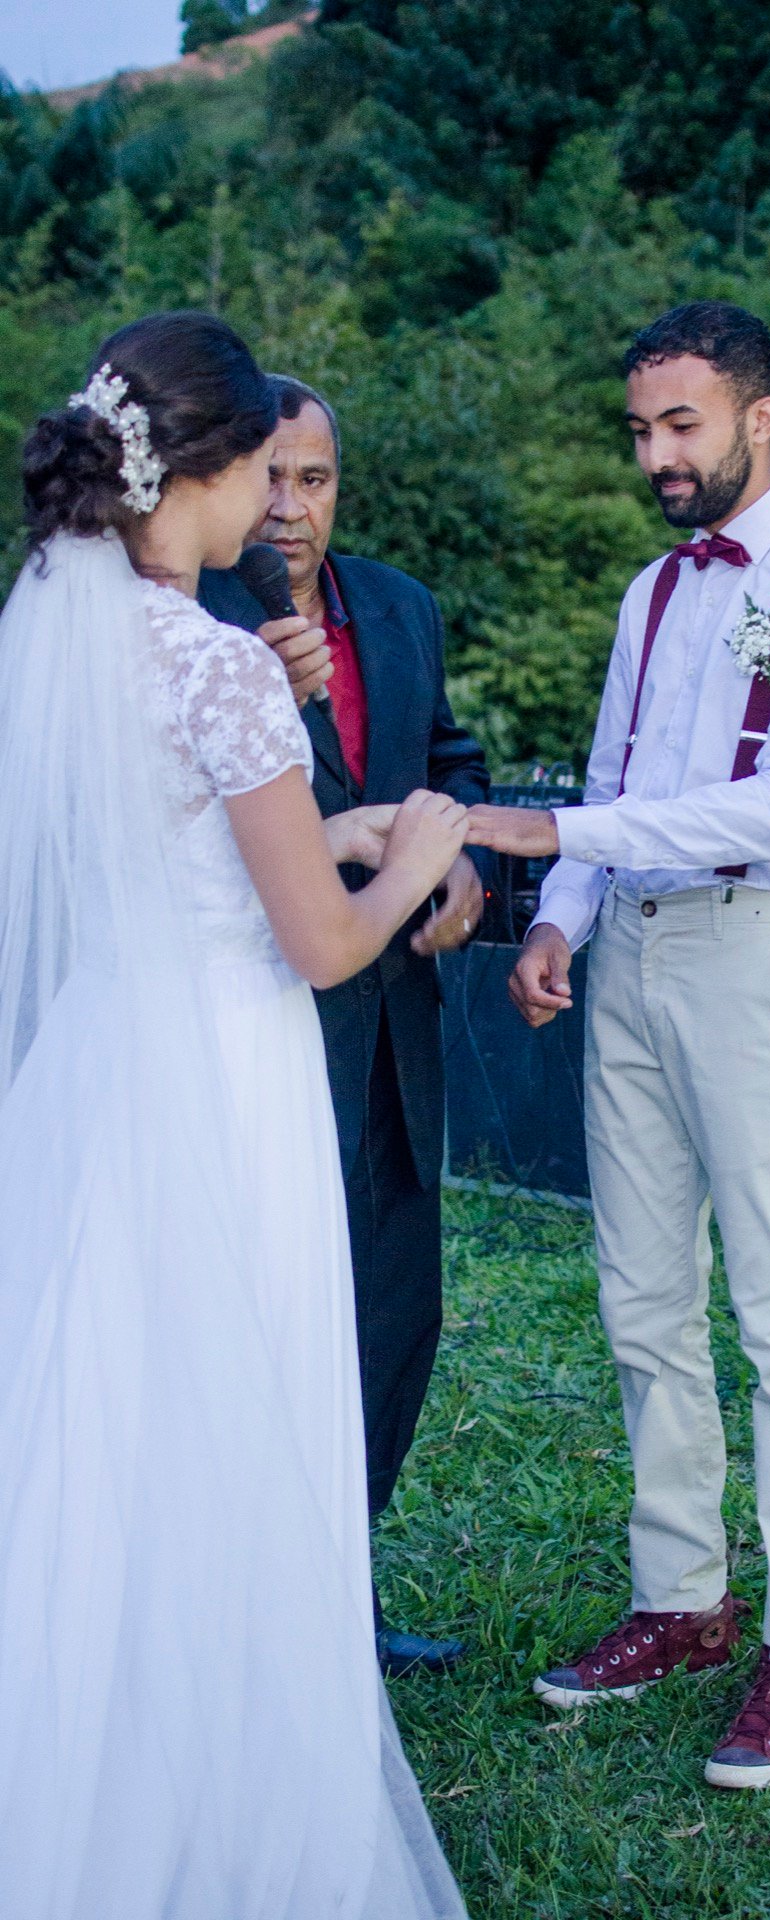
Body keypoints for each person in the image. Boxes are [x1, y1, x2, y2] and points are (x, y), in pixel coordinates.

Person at [0, 311, 466, 1916]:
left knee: (101, 1406)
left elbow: (149, 850)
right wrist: (420, 847)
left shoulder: (56, 631)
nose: (280, 502)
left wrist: (323, 831)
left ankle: (76, 1743)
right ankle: (223, 1787)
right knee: (236, 1400)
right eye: (268, 468)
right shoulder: (222, 665)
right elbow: (325, 949)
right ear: (202, 469)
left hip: (97, 1069)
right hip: (221, 1080)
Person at [465, 301, 770, 1790]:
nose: (657, 455)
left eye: (682, 425)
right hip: (634, 955)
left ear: (759, 416)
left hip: (757, 954)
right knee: (643, 1297)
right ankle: (680, 1600)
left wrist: (553, 837)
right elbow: (617, 776)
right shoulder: (652, 593)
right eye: (641, 429)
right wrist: (559, 922)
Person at [200, 378, 489, 1677]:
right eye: (267, 476)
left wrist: (462, 857)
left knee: (393, 1316)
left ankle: (339, 1599)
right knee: (263, 1326)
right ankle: (240, 1612)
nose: (289, 507)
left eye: (312, 479)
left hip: (394, 1038)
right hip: (256, 1031)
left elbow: (447, 763)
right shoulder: (188, 621)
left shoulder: (403, 606)